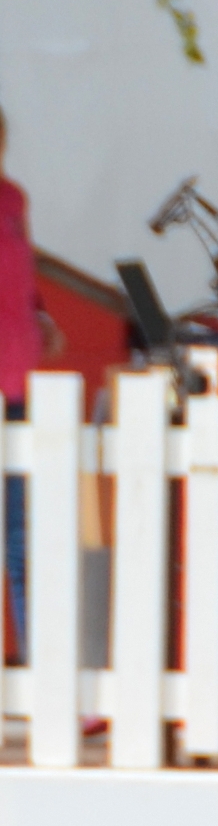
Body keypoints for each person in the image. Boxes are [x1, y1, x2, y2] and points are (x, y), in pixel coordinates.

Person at [1, 105, 36, 662]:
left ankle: (41, 663)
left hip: (18, 382)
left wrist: (43, 314)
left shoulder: (13, 199)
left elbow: (24, 273)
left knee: (23, 537)